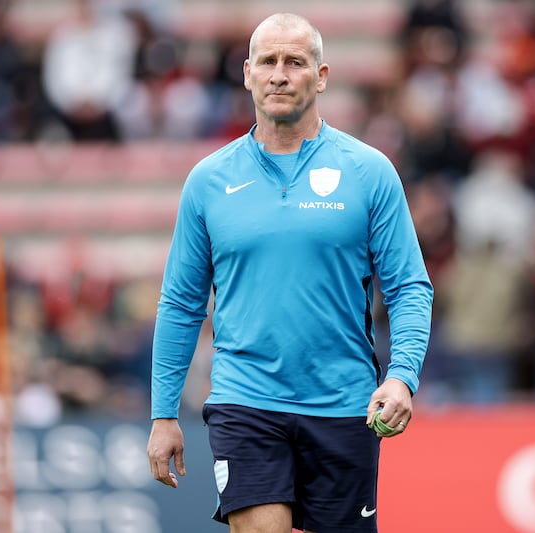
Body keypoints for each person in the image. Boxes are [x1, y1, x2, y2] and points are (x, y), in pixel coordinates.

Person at [146, 13, 434, 533]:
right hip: (245, 401)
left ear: (320, 76)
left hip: (345, 404)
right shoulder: (209, 181)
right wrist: (164, 413)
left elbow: (409, 286)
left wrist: (402, 377)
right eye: (268, 61)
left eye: (295, 62)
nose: (279, 74)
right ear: (247, 73)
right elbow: (181, 304)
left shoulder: (369, 172)